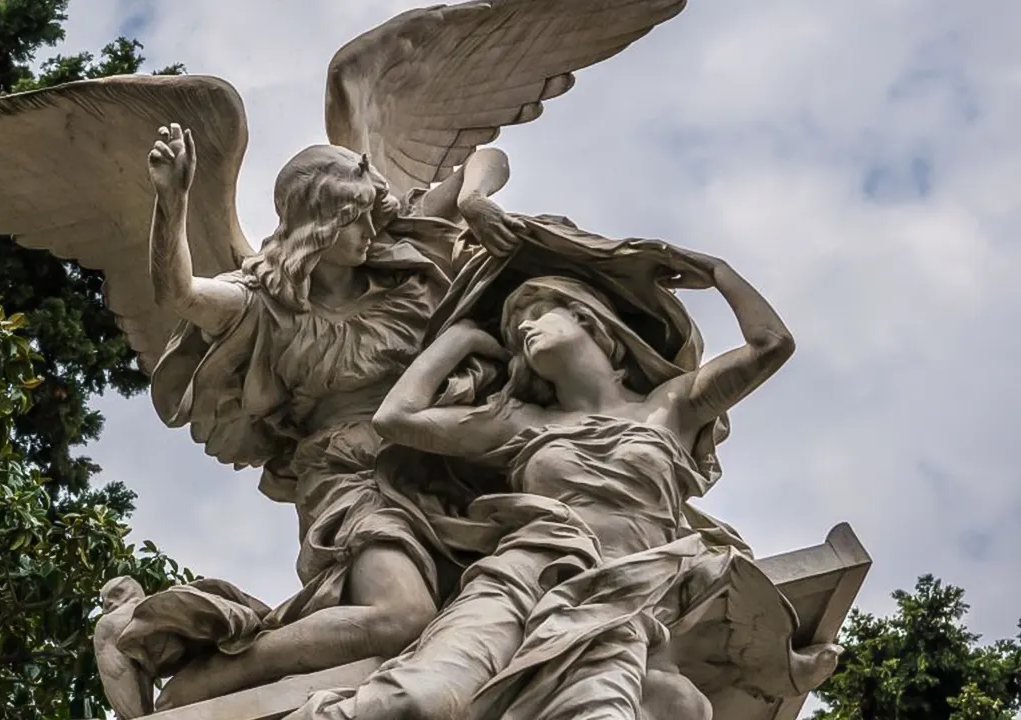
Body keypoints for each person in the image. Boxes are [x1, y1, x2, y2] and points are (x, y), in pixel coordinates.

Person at [290, 261, 838, 719]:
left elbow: (771, 343)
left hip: (623, 597)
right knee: (413, 703)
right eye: (513, 330)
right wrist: (458, 340)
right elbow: (396, 419)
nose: (523, 332)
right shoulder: (520, 421)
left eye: (535, 314)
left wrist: (716, 271)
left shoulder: (672, 405)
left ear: (587, 317)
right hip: (521, 574)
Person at [120, 124, 522, 709]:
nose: (367, 231)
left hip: (451, 454)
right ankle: (205, 678)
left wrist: (472, 203)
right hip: (350, 471)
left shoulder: (398, 253)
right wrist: (173, 202)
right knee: (402, 616)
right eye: (353, 220)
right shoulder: (264, 303)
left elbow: (489, 156)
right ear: (320, 225)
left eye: (369, 215)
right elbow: (179, 293)